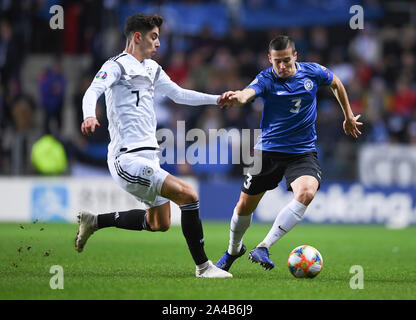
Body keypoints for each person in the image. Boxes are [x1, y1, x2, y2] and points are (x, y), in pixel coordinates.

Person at [75, 13, 232, 278]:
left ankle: (95, 221)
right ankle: (204, 267)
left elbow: (178, 94)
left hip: (150, 158)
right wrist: (89, 114)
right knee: (189, 196)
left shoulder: (151, 68)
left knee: (159, 223)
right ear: (138, 37)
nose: (158, 43)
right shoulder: (117, 65)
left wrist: (216, 99)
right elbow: (93, 90)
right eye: (154, 37)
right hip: (127, 159)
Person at [216, 35, 362, 271]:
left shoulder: (312, 72)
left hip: (302, 152)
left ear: (295, 56)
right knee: (244, 207)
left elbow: (336, 82)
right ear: (269, 59)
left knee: (306, 192)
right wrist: (237, 97)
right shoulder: (266, 78)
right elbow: (248, 93)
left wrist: (347, 115)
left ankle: (264, 246)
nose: (282, 66)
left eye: (286, 60)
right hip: (268, 151)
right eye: (277, 62)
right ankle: (233, 250)